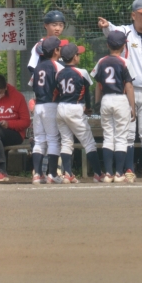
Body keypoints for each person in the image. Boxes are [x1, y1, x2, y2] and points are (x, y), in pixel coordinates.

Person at [98, 0, 142, 178]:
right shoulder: (125, 31)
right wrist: (106, 26)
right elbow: (112, 32)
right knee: (129, 133)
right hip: (127, 91)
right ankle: (129, 169)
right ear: (133, 15)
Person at [91, 31, 137, 183]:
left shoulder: (101, 61)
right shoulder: (125, 62)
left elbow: (98, 85)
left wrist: (97, 103)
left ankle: (108, 173)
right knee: (121, 137)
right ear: (123, 46)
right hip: (120, 99)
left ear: (107, 45)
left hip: (106, 99)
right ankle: (118, 173)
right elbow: (129, 87)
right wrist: (133, 107)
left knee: (108, 136)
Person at [55, 43, 103, 184]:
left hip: (61, 108)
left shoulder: (59, 73)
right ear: (74, 57)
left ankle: (68, 174)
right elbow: (87, 93)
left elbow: (57, 91)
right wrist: (89, 107)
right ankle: (98, 174)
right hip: (75, 108)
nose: (79, 56)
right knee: (89, 143)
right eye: (78, 54)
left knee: (66, 142)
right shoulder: (81, 72)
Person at [30, 36, 69, 185]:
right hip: (51, 105)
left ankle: (37, 174)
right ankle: (52, 174)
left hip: (38, 105)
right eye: (59, 48)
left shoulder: (38, 67)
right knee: (53, 139)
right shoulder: (58, 67)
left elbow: (32, 84)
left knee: (39, 140)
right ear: (56, 51)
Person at [28, 10, 66, 77]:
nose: (58, 28)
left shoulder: (63, 45)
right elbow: (32, 67)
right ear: (46, 25)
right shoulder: (40, 45)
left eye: (61, 25)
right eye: (54, 25)